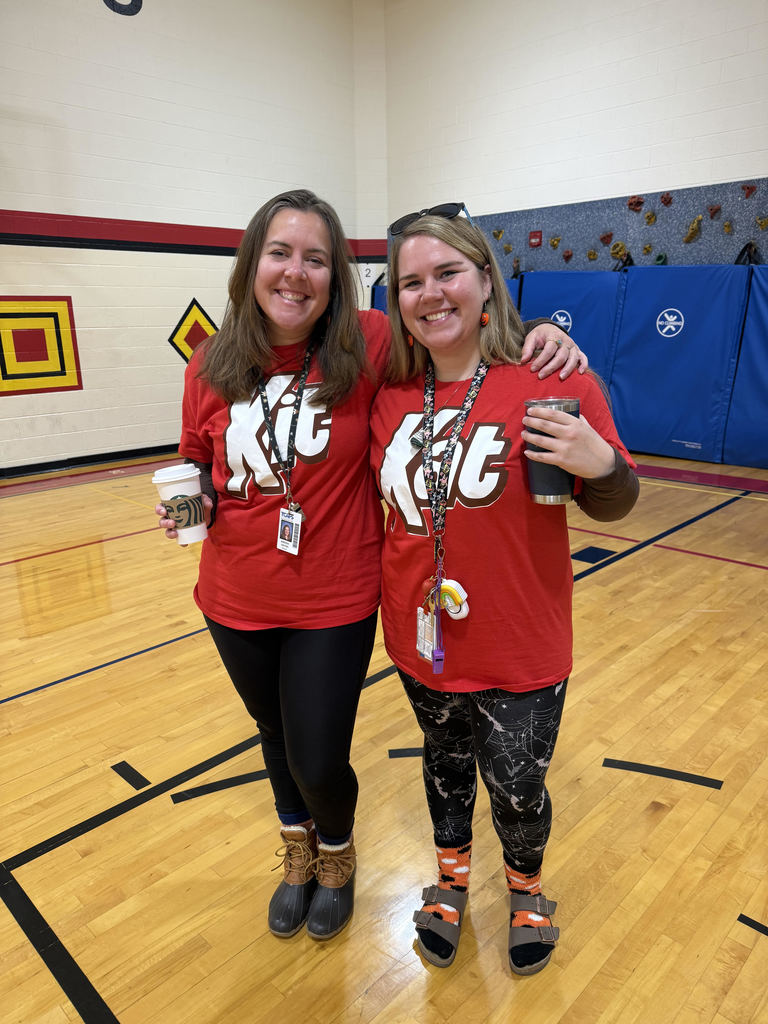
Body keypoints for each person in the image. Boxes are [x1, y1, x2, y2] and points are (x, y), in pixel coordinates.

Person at [156, 189, 586, 944]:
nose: (296, 273)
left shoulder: (370, 342)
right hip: (232, 592)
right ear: (251, 264)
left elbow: (453, 328)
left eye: (316, 259)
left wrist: (537, 333)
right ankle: (298, 850)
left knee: (317, 753)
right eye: (280, 253)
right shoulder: (208, 364)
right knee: (273, 734)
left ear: (337, 278)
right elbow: (198, 459)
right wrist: (192, 504)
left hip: (336, 595)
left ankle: (336, 852)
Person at [369, 208, 638, 974]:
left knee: (517, 786)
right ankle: (450, 882)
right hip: (422, 638)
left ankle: (527, 892)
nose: (430, 293)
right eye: (411, 281)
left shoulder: (554, 375)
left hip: (522, 641)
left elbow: (616, 501)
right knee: (446, 766)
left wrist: (600, 463)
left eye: (448, 272)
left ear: (486, 278)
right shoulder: (389, 392)